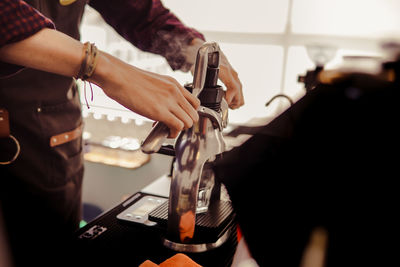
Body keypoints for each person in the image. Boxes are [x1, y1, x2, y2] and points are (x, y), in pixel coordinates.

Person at [0, 0, 244, 266]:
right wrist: (108, 70)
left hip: (52, 136)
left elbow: (138, 10)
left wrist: (191, 48)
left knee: (52, 253)